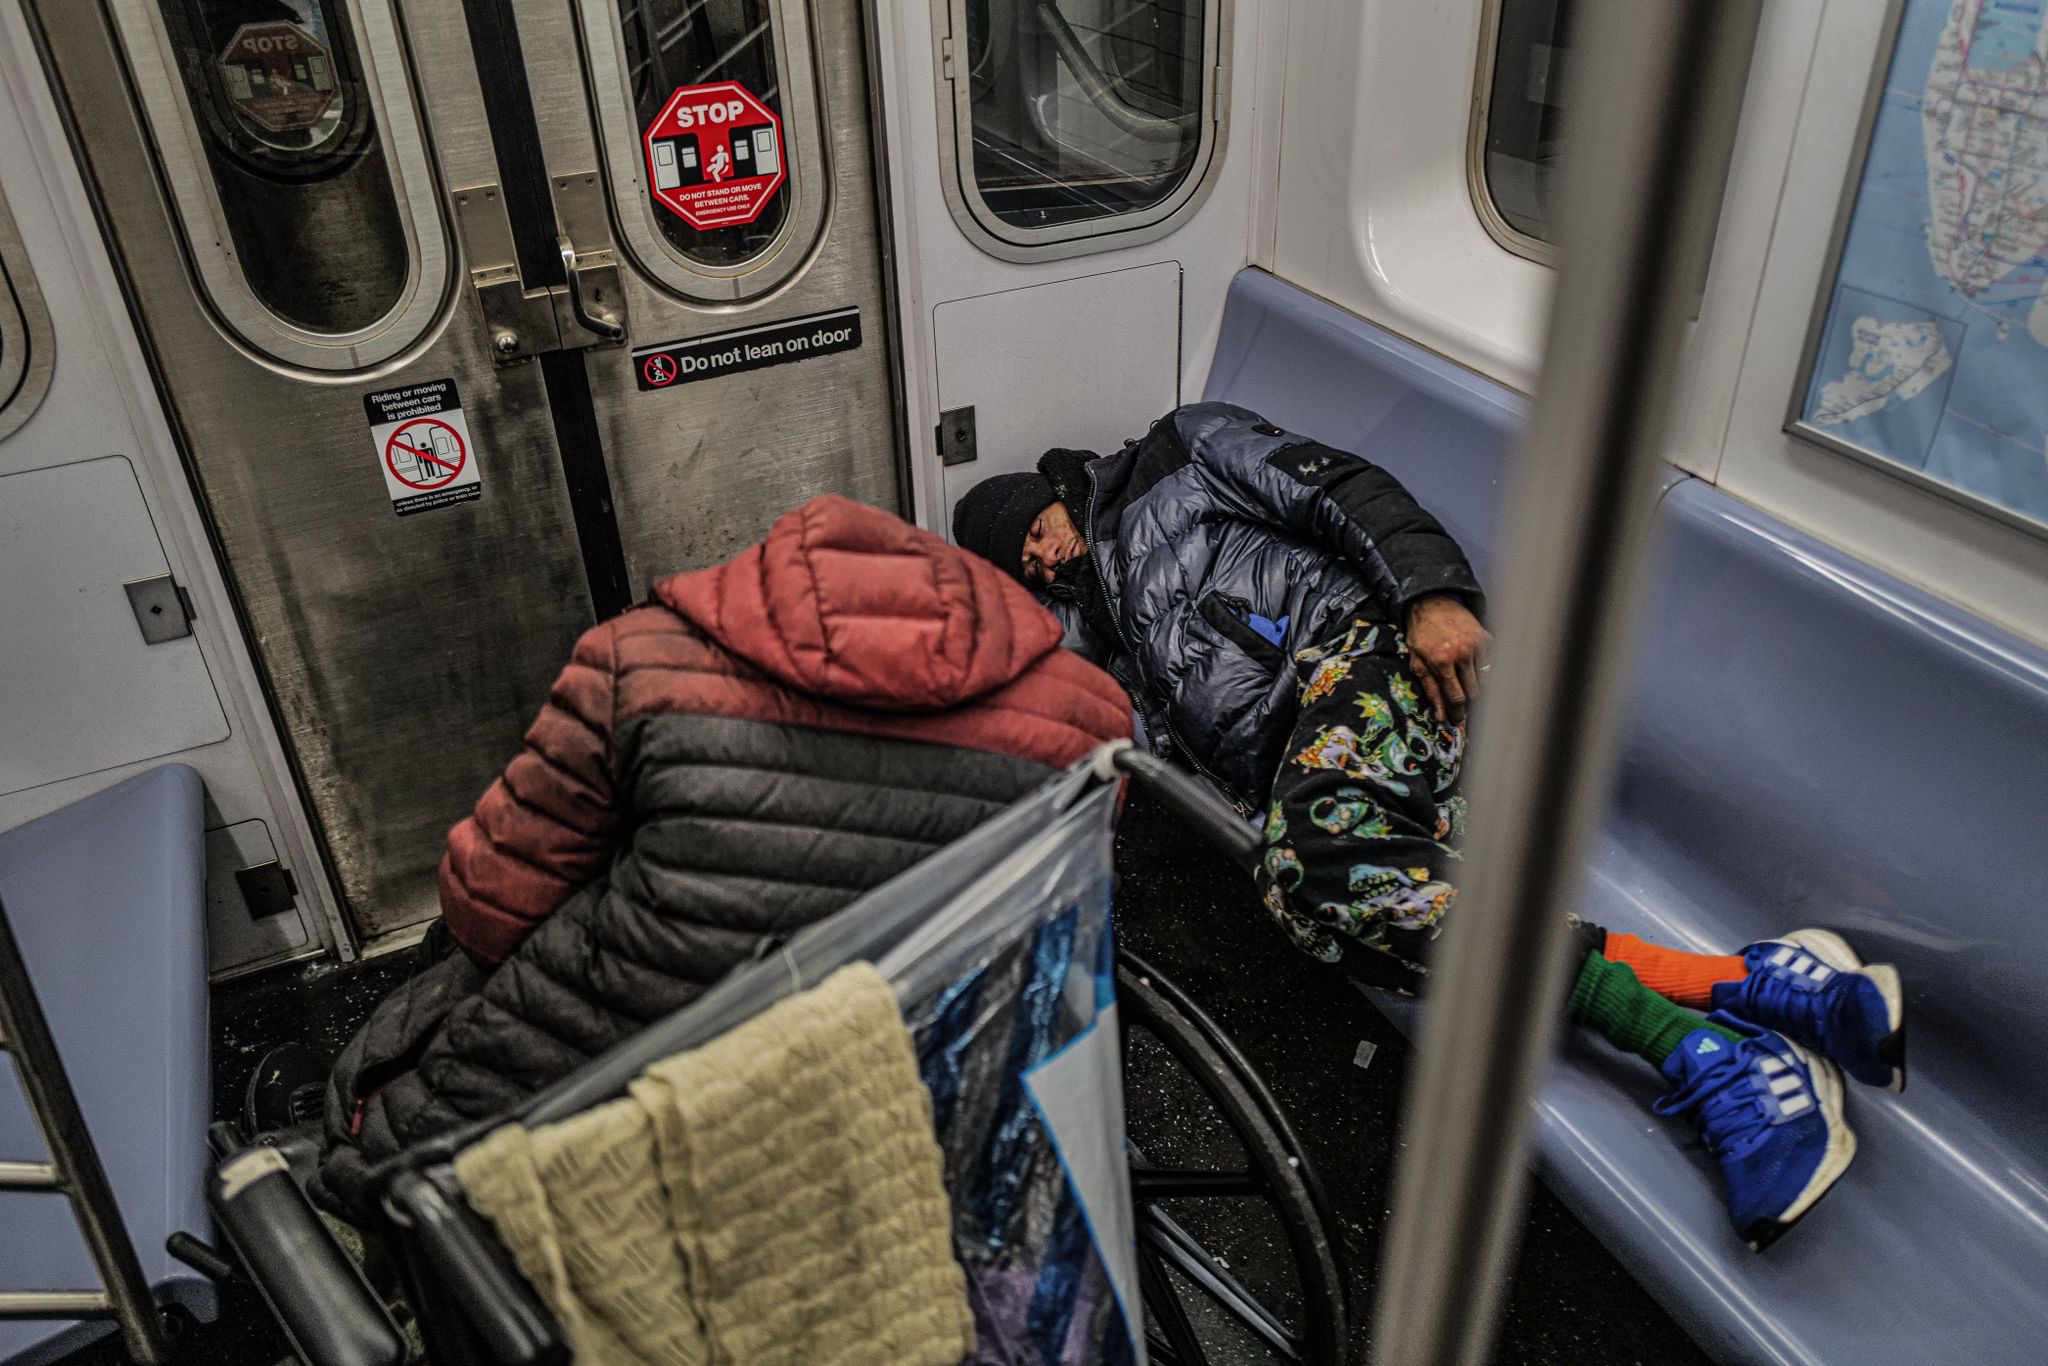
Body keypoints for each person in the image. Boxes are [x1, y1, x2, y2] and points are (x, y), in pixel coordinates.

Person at [952, 401, 1905, 1250]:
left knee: (1309, 873)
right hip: (1317, 769)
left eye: (1030, 530)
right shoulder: (1105, 639)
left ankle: (1707, 1056)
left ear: (1054, 492)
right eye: (1022, 564)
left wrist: (1428, 591)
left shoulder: (1176, 455)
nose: (1039, 556)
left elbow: (1334, 487)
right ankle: (1756, 987)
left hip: (1364, 653)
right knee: (1327, 901)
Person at [289, 495, 1133, 1219]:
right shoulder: (1094, 712)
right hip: (942, 1056)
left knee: (386, 1109)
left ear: (766, 578)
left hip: (680, 1064)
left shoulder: (635, 664)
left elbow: (488, 911)